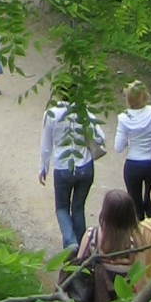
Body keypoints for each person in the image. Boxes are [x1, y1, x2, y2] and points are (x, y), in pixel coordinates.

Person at [39, 97, 105, 249]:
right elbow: (100, 138)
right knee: (78, 207)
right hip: (85, 166)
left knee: (62, 207)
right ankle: (82, 247)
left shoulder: (51, 114)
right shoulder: (84, 111)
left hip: (63, 166)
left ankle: (71, 242)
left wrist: (43, 167)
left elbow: (46, 145)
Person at [66, 186, 141, 302]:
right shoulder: (135, 242)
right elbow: (139, 275)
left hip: (95, 299)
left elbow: (80, 267)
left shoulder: (92, 236)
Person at [113, 80, 151, 219]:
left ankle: (138, 227)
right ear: (145, 94)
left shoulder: (124, 117)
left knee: (134, 204)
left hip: (133, 164)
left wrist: (131, 138)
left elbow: (118, 147)